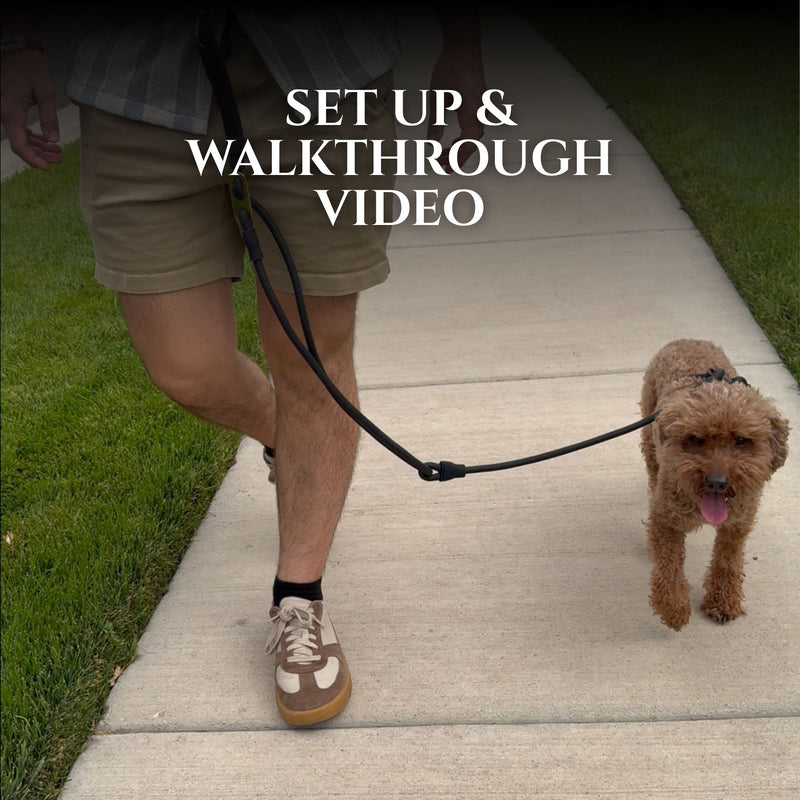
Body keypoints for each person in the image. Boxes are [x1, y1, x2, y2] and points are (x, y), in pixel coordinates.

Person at [1, 6, 486, 727]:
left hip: (327, 72)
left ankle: (299, 601)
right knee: (184, 365)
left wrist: (463, 43)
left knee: (312, 358)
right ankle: (288, 440)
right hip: (136, 76)